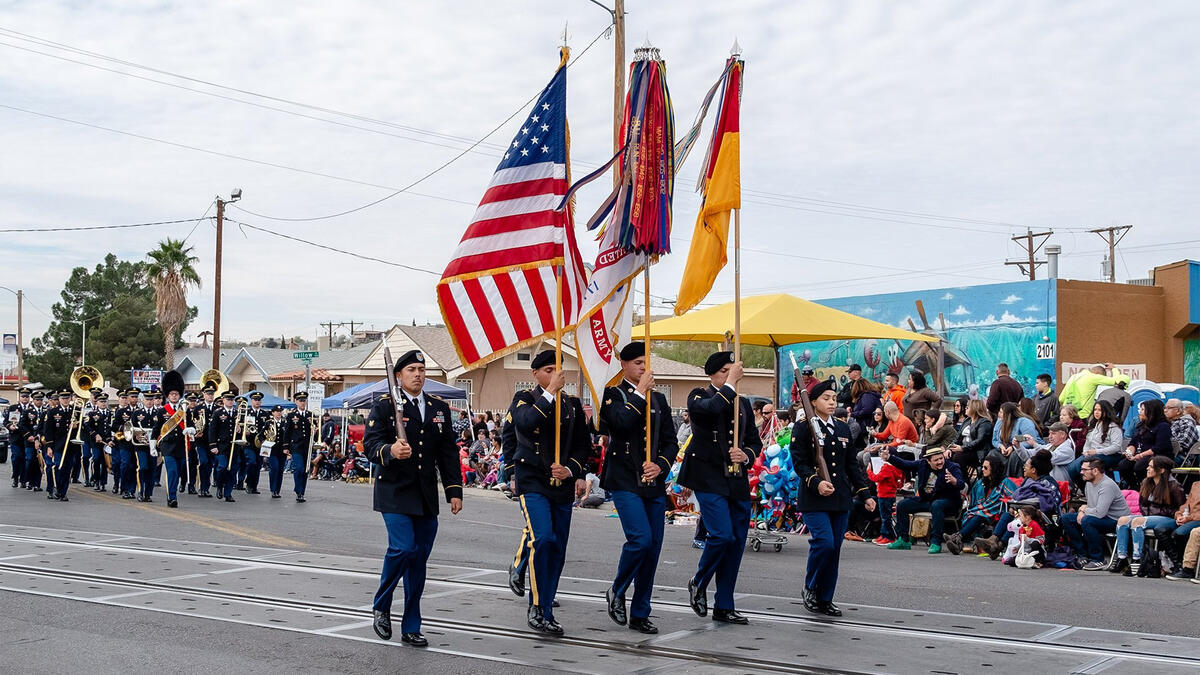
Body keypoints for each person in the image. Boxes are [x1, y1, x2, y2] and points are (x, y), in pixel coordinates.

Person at [363, 349, 463, 648]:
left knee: (418, 562)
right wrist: (389, 451)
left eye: (422, 369)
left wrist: (454, 490)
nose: (418, 374)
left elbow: (447, 453)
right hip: (394, 490)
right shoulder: (384, 406)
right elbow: (371, 444)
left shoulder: (437, 407)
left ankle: (411, 625)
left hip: (424, 494)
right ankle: (382, 604)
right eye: (411, 370)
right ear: (399, 375)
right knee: (402, 548)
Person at [509, 350, 591, 636]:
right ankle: (535, 606)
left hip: (562, 484)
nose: (554, 374)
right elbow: (525, 423)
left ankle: (547, 608)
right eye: (547, 370)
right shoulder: (525, 399)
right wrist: (549, 393)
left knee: (557, 548)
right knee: (541, 538)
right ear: (535, 374)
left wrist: (572, 470)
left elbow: (583, 444)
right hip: (532, 480)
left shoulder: (571, 404)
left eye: (557, 369)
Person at [678, 351, 763, 625]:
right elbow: (710, 409)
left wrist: (746, 454)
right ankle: (699, 581)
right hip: (707, 475)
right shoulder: (698, 395)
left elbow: (754, 440)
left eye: (733, 370)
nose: (731, 374)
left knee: (736, 542)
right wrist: (730, 384)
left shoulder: (743, 403)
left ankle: (724, 604)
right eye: (725, 370)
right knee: (722, 535)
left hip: (735, 477)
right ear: (712, 373)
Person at [598, 342, 676, 635]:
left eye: (646, 362)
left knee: (653, 549)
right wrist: (639, 391)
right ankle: (617, 590)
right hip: (623, 478)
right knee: (640, 540)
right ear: (624, 365)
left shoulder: (659, 399)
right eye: (637, 363)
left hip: (651, 482)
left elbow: (671, 440)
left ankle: (641, 611)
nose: (644, 367)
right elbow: (619, 423)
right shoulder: (612, 395)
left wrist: (660, 465)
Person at [793, 379, 874, 616]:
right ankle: (810, 587)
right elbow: (800, 463)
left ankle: (825, 597)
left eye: (834, 399)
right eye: (826, 398)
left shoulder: (842, 428)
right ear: (814, 402)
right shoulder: (803, 427)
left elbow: (851, 466)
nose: (831, 402)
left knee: (835, 548)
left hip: (838, 497)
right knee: (824, 543)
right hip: (815, 497)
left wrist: (865, 494)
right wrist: (816, 482)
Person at [1111, 456, 1184, 575]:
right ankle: (1122, 557)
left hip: (1169, 519)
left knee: (1137, 522)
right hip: (1149, 517)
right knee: (1122, 520)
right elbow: (1142, 504)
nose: (1147, 469)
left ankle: (1137, 559)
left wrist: (1153, 514)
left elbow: (1180, 508)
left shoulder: (1174, 485)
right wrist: (1148, 516)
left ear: (1161, 470)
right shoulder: (1146, 482)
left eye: (1151, 466)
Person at [883, 446, 963, 553]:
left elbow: (961, 484)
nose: (940, 462)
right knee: (902, 505)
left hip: (947, 500)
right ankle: (903, 540)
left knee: (937, 505)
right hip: (927, 499)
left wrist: (954, 481)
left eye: (941, 458)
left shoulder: (952, 467)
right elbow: (905, 464)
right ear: (928, 461)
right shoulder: (922, 464)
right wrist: (889, 458)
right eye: (936, 460)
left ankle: (935, 541)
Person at [1062, 457, 1131, 570]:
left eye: (1084, 470)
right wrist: (1081, 510)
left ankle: (1098, 559)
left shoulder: (1107, 485)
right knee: (1067, 518)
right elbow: (1091, 506)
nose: (1081, 472)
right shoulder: (1089, 483)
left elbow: (1099, 512)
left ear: (1095, 471)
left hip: (1116, 521)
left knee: (1087, 521)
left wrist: (1083, 510)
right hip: (1100, 517)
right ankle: (1082, 555)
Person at [944, 456, 1017, 555]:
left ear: (994, 468)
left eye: (985, 467)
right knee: (973, 514)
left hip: (997, 512)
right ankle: (958, 542)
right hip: (982, 510)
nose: (982, 469)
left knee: (979, 514)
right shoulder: (980, 483)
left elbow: (1014, 498)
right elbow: (973, 501)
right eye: (982, 467)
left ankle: (957, 538)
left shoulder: (1005, 482)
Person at [1066, 400, 1125, 486]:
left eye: (1099, 410)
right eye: (1095, 410)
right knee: (1071, 468)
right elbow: (1088, 442)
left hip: (1110, 455)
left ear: (1106, 411)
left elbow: (1116, 447)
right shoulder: (1094, 424)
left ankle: (1094, 488)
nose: (1096, 412)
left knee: (1081, 466)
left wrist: (1096, 451)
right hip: (1092, 454)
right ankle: (1084, 490)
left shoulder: (1113, 426)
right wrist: (1086, 451)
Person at [1118, 399, 1173, 488]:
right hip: (1141, 455)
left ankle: (1148, 487)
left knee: (1139, 466)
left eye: (1143, 410)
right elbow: (1133, 442)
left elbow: (1158, 447)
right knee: (1123, 465)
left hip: (1158, 456)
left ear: (1151, 411)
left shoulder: (1163, 426)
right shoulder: (1141, 425)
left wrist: (1140, 455)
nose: (1140, 412)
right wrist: (1129, 452)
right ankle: (1134, 487)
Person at [283, 391, 319, 502]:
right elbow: (287, 432)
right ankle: (298, 489)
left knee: (306, 470)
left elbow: (315, 434)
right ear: (296, 402)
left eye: (304, 401)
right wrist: (286, 446)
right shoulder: (291, 415)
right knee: (299, 468)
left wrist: (316, 432)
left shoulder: (310, 415)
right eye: (300, 401)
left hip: (307, 446)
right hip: (296, 445)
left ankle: (301, 492)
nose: (303, 403)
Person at [992, 401, 1042, 477]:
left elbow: (1029, 438)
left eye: (1001, 412)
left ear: (1009, 415)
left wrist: (1013, 447)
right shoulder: (999, 421)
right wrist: (1000, 446)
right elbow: (994, 440)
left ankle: (1011, 480)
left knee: (1015, 456)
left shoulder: (1023, 421)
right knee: (993, 454)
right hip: (1006, 448)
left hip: (1029, 448)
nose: (999, 414)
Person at [866, 447, 903, 546]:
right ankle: (883, 534)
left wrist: (869, 471)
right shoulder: (894, 467)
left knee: (885, 517)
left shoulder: (887, 467)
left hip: (884, 495)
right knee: (885, 516)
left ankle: (888, 536)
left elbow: (876, 478)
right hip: (888, 494)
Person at [207, 391, 238, 502]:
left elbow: (245, 429)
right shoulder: (218, 413)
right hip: (221, 446)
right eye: (228, 399)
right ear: (223, 400)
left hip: (234, 446)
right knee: (222, 467)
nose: (230, 401)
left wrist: (240, 430)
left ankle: (228, 493)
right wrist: (213, 445)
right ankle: (219, 485)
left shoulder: (238, 413)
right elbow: (212, 430)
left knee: (233, 470)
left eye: (232, 399)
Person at [44, 390, 74, 501]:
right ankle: (57, 488)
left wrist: (76, 425)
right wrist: (49, 446)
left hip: (71, 446)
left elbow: (83, 427)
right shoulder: (53, 412)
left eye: (67, 398)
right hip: (58, 445)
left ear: (70, 398)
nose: (65, 400)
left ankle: (63, 492)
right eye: (63, 398)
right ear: (59, 399)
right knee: (58, 466)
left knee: (67, 469)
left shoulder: (75, 411)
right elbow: (48, 430)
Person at [949, 399, 993, 471]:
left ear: (974, 409)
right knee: (946, 455)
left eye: (967, 407)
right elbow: (958, 436)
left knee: (958, 457)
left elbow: (980, 441)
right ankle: (952, 479)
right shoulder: (967, 420)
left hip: (977, 451)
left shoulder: (984, 422)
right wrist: (950, 448)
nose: (965, 409)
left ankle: (963, 480)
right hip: (965, 449)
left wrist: (962, 448)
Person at [5, 388, 30, 489]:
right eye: (23, 396)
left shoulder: (32, 408)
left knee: (25, 459)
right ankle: (15, 477)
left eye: (27, 396)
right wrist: (9, 426)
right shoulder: (13, 408)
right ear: (19, 397)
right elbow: (6, 421)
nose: (25, 398)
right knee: (16, 458)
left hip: (27, 438)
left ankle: (23, 480)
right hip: (16, 438)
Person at [1164, 399, 1198, 463]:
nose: (1165, 410)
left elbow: (1183, 444)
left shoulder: (1187, 422)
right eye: (1165, 408)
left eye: (1169, 408)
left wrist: (1164, 446)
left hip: (1182, 458)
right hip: (1169, 455)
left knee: (1157, 461)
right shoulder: (1170, 422)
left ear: (1178, 411)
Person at [265, 405, 287, 498]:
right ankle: (273, 489)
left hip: (282, 450)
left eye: (280, 411)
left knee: (280, 470)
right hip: (272, 450)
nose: (279, 413)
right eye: (277, 411)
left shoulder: (285, 423)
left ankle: (277, 490)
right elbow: (262, 435)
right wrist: (265, 442)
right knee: (274, 468)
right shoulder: (269, 423)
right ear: (273, 413)